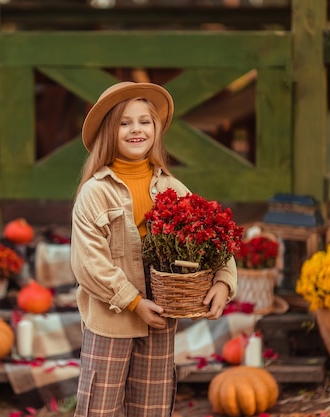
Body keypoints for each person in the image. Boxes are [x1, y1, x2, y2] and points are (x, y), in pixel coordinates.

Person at [70, 81, 238, 417]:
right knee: (99, 409)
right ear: (109, 131)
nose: (136, 130)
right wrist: (132, 301)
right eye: (125, 122)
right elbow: (89, 263)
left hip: (160, 317)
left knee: (152, 407)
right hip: (112, 320)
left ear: (156, 129)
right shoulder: (95, 192)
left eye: (144, 121)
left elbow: (212, 236)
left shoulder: (171, 188)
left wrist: (223, 281)